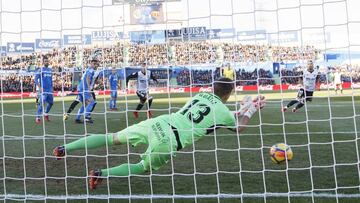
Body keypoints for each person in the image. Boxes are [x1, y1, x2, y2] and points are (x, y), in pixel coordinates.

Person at [53, 77, 266, 190]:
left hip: (160, 122)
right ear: (229, 94)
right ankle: (101, 174)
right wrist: (251, 110)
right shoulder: (224, 112)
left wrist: (242, 107)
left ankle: (64, 148)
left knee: (113, 138)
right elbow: (238, 127)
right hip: (170, 139)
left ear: (213, 87)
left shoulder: (200, 95)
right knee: (142, 166)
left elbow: (213, 113)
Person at [35, 56, 54, 124]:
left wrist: (52, 88)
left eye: (47, 61)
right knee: (42, 103)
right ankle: (38, 117)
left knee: (51, 103)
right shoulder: (40, 70)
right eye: (45, 61)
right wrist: (40, 88)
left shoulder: (50, 70)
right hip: (43, 90)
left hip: (49, 90)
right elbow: (35, 80)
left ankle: (46, 113)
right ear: (43, 62)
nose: (47, 62)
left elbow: (51, 80)